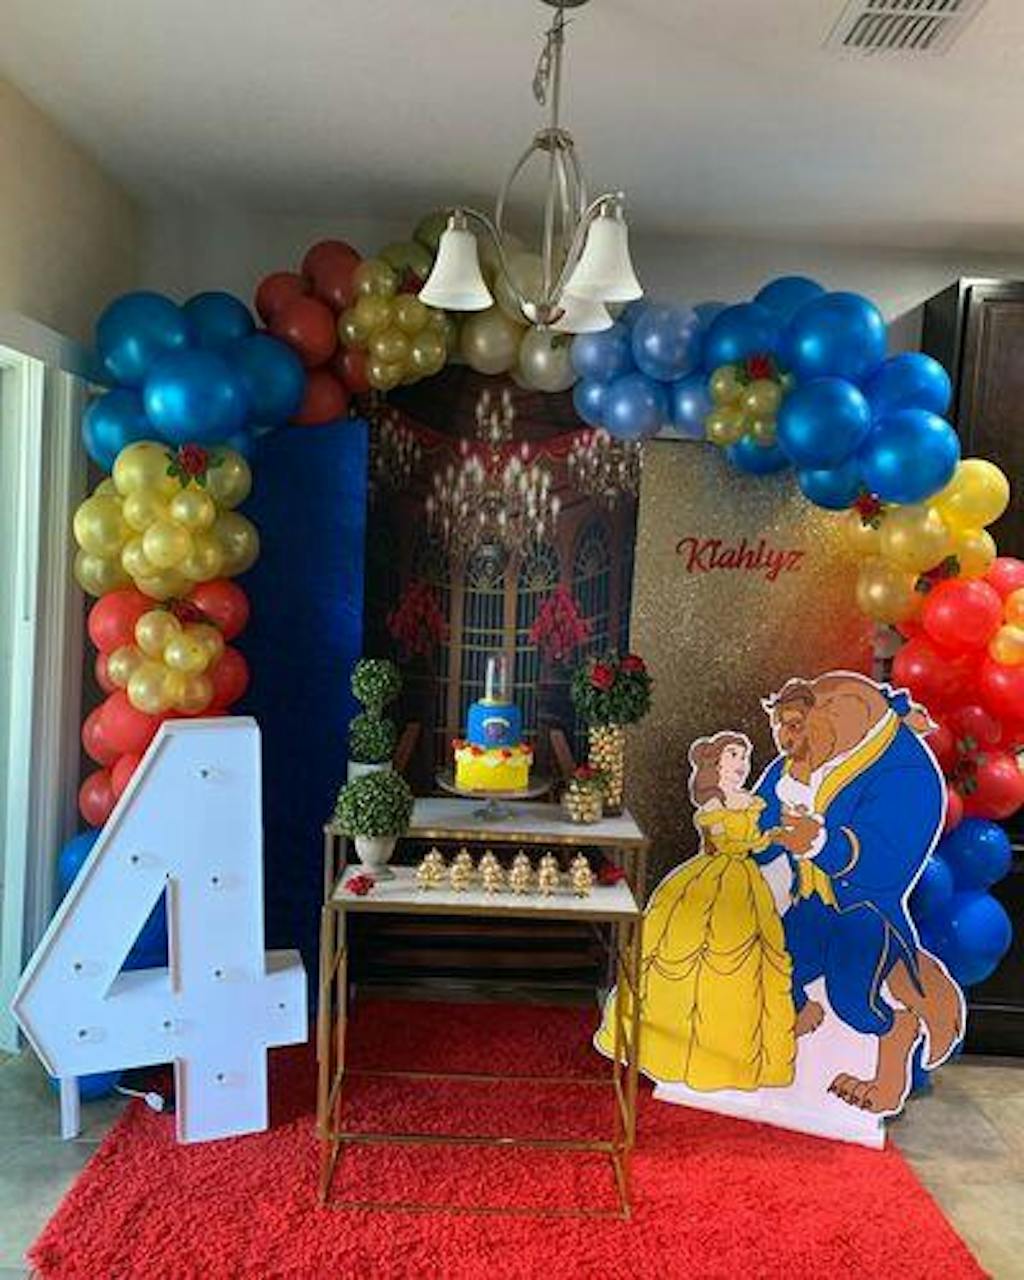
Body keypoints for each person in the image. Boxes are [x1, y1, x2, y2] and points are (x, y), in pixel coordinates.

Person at [755, 672, 965, 1114]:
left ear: (843, 715)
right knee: (773, 966)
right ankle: (786, 1062)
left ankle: (894, 1054)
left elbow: (885, 860)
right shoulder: (798, 761)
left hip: (865, 912)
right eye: (784, 726)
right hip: (809, 903)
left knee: (852, 999)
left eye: (796, 726)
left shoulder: (906, 772)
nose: (787, 740)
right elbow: (761, 819)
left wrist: (820, 843)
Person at [595, 732, 795, 1090]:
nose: (740, 764)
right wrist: (772, 838)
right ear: (715, 763)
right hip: (713, 877)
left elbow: (750, 842)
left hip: (746, 883)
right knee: (689, 954)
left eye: (744, 757)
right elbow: (726, 843)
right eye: (733, 756)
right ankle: (673, 1051)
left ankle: (731, 1056)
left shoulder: (749, 801)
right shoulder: (712, 806)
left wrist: (775, 836)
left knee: (748, 964)